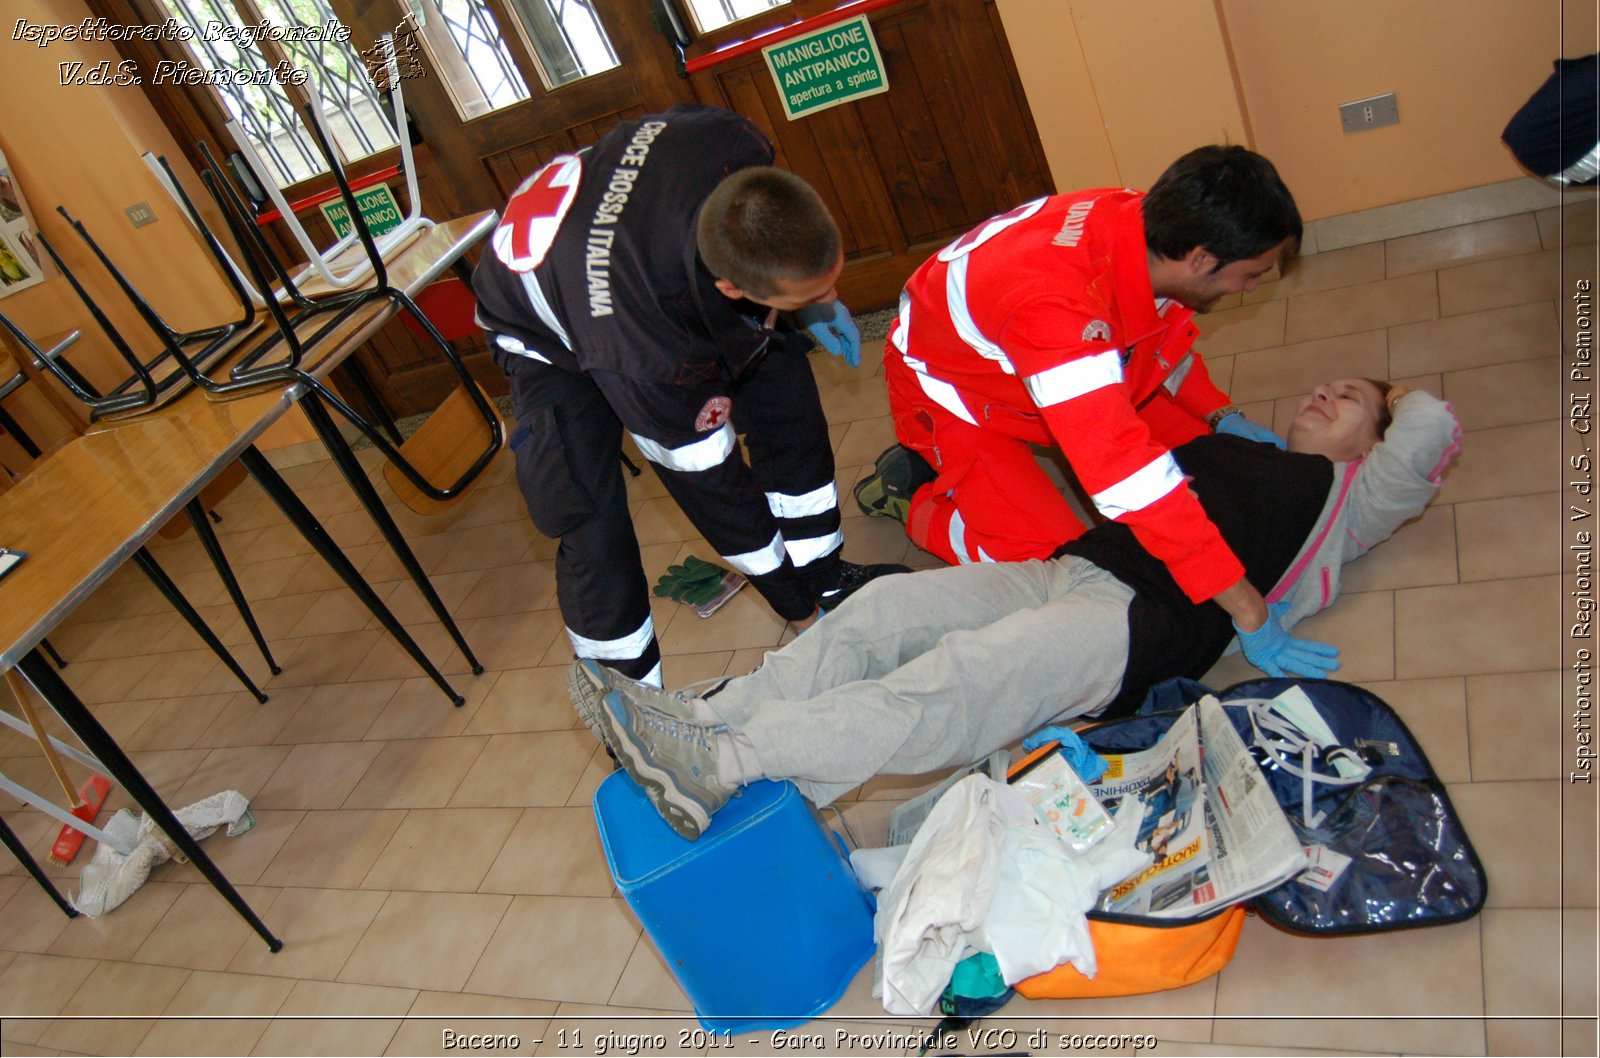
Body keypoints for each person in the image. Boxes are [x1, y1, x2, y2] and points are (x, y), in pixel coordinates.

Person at [576, 380, 1461, 839]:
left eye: (1351, 399)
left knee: (953, 686)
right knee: (876, 615)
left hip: (1135, 624)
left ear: (1372, 444)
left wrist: (1390, 406)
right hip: (1062, 571)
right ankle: (694, 717)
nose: (1324, 395)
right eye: (1327, 386)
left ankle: (723, 765)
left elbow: (1431, 424)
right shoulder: (1242, 446)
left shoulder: (1352, 501)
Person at [473, 103, 906, 686]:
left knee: (783, 389)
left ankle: (821, 572)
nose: (830, 293)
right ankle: (629, 705)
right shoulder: (649, 349)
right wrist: (798, 616)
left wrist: (816, 300)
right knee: (587, 517)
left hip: (621, 259)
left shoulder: (731, 138)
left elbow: (773, 244)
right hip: (545, 333)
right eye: (817, 289)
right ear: (728, 287)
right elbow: (714, 491)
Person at [855, 144, 1310, 674]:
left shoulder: (1145, 223)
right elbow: (1126, 479)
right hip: (952, 393)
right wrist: (1248, 610)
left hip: (1033, 364)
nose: (1253, 286)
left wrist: (1218, 416)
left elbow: (1159, 344)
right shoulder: (1059, 310)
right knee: (1057, 570)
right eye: (1252, 274)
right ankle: (911, 499)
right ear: (1202, 260)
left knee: (1212, 462)